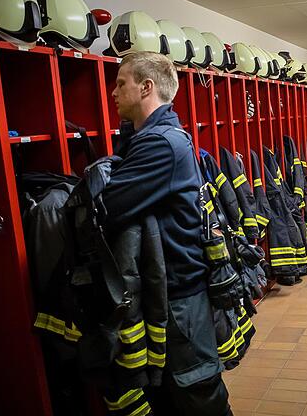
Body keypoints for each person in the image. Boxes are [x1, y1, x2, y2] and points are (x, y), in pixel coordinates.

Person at [102, 51, 233, 414]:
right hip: (171, 292)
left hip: (180, 297)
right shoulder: (156, 136)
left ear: (146, 87)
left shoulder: (160, 143)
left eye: (120, 83)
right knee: (174, 398)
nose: (112, 92)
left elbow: (107, 207)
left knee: (197, 394)